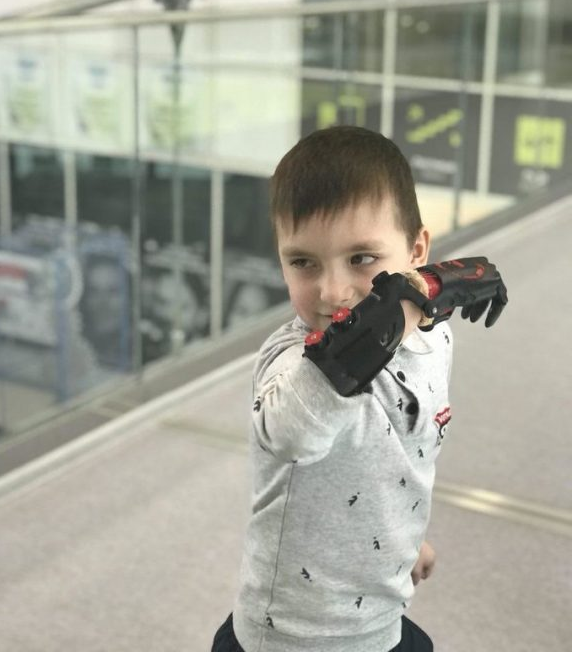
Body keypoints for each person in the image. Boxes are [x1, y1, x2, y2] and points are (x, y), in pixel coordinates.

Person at [211, 125, 506, 652]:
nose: (332, 291)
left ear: (416, 249)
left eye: (362, 258)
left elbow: (397, 461)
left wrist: (400, 545)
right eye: (303, 262)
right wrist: (404, 302)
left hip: (381, 614)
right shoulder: (293, 359)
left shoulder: (434, 340)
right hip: (294, 637)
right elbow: (293, 432)